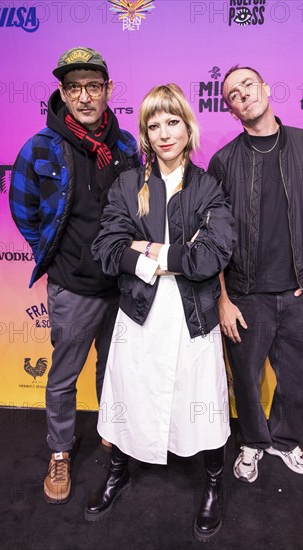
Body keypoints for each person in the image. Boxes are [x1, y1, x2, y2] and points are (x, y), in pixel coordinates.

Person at [85, 84, 236, 542]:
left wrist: (148, 249)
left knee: (203, 404)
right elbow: (106, 249)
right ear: (145, 135)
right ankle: (117, 471)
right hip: (140, 312)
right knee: (129, 396)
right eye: (154, 125)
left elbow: (212, 255)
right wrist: (172, 256)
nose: (164, 133)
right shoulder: (128, 185)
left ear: (187, 128)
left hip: (193, 315)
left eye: (172, 122)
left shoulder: (208, 185)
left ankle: (213, 483)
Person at [9, 47, 140, 504]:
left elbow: (139, 210)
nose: (84, 97)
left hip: (121, 284)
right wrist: (57, 256)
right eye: (74, 88)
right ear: (63, 94)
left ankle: (110, 427)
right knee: (64, 374)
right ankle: (60, 451)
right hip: (72, 286)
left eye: (93, 86)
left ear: (107, 90)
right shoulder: (40, 147)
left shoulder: (125, 147)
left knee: (115, 366)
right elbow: (24, 208)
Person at [208, 65, 303, 483]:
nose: (243, 94)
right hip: (246, 295)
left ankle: (284, 441)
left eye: (248, 84)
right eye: (233, 94)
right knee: (246, 380)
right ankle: (253, 443)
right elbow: (215, 239)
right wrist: (223, 300)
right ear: (230, 109)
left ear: (265, 88)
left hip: (300, 289)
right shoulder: (223, 161)